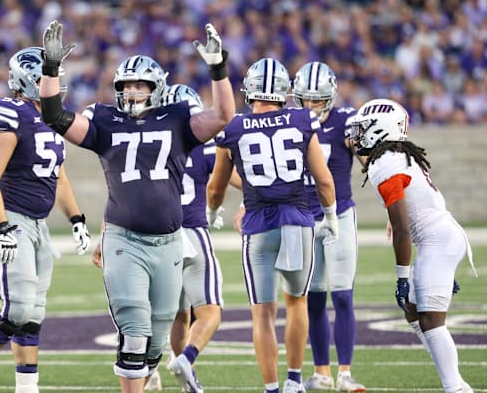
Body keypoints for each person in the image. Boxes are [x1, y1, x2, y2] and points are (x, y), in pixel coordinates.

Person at [38, 20, 235, 393]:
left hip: (170, 242)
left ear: (156, 87)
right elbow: (55, 116)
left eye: (139, 84)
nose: (131, 91)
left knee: (157, 340)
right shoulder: (105, 120)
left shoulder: (177, 118)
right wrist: (50, 69)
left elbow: (223, 115)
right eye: (126, 85)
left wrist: (218, 69)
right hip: (126, 241)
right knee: (134, 331)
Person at [207, 57, 337, 393]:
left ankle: (272, 388)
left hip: (258, 228)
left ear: (249, 90)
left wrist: (211, 214)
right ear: (285, 91)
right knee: (296, 302)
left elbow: (216, 188)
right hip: (297, 222)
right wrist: (332, 217)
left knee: (262, 313)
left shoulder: (233, 127)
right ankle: (295, 379)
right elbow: (323, 180)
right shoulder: (301, 119)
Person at [0, 46, 91, 393]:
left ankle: (27, 386)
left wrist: (77, 218)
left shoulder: (52, 116)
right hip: (11, 218)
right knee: (17, 308)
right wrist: (1, 225)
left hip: (39, 223)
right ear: (26, 80)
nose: (52, 82)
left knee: (35, 312)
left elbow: (60, 178)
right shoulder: (11, 112)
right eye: (44, 77)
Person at [348, 98, 475, 393]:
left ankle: (456, 387)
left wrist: (402, 277)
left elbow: (403, 230)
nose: (357, 136)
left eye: (362, 129)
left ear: (380, 130)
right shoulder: (393, 156)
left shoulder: (387, 163)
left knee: (431, 319)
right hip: (439, 237)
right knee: (414, 312)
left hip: (436, 240)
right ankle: (451, 379)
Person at [138, 84, 224, 393]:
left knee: (173, 312)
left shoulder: (147, 146)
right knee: (209, 310)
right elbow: (232, 177)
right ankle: (185, 359)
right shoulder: (204, 144)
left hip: (159, 235)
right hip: (193, 231)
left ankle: (152, 371)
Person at [291, 61, 365, 392]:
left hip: (341, 215)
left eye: (317, 100)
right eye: (306, 99)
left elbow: (364, 154)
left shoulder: (347, 120)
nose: (311, 106)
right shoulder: (290, 122)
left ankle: (345, 373)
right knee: (315, 298)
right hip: (305, 217)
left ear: (330, 97)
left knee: (343, 295)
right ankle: (322, 373)